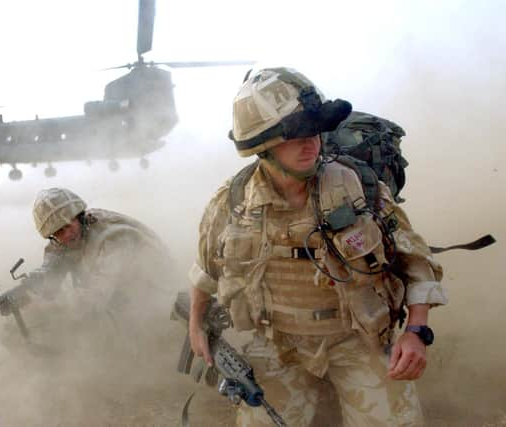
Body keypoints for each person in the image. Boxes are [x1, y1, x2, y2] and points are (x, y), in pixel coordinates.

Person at [187, 67, 447, 426]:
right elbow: (206, 273)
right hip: (279, 346)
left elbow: (418, 264)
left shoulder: (358, 189)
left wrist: (417, 332)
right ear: (262, 144)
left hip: (356, 340)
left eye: (315, 131)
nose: (311, 143)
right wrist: (196, 324)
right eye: (295, 135)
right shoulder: (232, 203)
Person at [0, 187, 174, 355]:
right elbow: (51, 270)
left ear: (79, 216)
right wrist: (27, 291)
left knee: (91, 329)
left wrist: (42, 309)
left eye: (67, 226)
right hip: (118, 293)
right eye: (57, 233)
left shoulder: (113, 238)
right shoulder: (67, 237)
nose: (66, 235)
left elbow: (94, 299)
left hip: (156, 295)